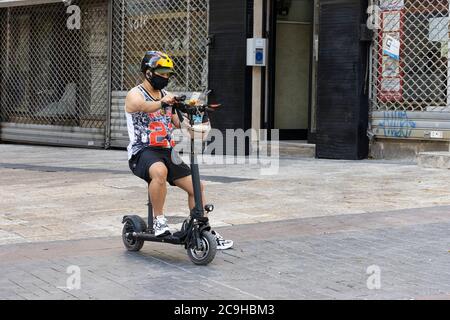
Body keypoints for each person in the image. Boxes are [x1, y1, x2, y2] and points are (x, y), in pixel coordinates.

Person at [125, 51, 233, 250]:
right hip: (142, 151)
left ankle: (203, 229)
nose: (165, 78)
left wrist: (197, 119)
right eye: (162, 73)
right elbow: (143, 106)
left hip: (167, 152)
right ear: (149, 72)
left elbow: (179, 125)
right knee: (159, 172)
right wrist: (163, 103)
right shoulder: (136, 93)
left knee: (197, 187)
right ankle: (159, 220)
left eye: (168, 74)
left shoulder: (167, 97)